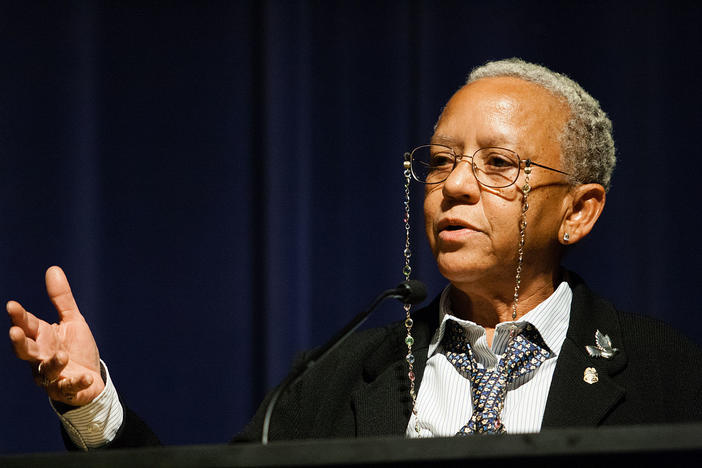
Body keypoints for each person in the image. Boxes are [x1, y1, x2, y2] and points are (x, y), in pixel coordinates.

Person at [7, 58, 702, 449]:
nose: (454, 185)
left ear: (579, 212)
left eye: (497, 164)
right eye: (440, 161)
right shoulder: (340, 375)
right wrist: (95, 402)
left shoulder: (669, 378)